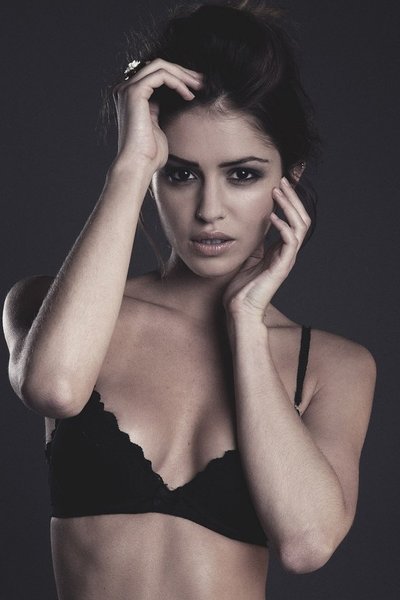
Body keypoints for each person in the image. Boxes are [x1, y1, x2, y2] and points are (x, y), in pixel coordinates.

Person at [2, 1, 376, 598]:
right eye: (180, 173)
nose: (209, 210)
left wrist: (246, 321)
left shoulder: (334, 366)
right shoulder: (47, 305)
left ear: (290, 177)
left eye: (242, 174)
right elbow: (55, 388)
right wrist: (130, 168)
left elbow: (307, 543)